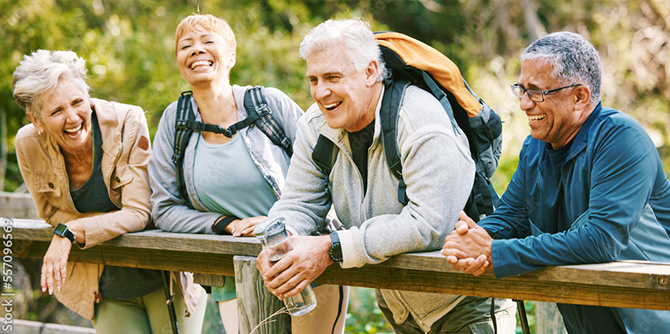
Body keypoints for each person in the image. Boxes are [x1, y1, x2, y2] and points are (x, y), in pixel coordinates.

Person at [254, 18, 516, 334]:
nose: (321, 92)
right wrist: (279, 241)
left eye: (333, 77)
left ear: (370, 72)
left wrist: (330, 247)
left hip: (465, 301)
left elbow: (429, 224)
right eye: (313, 79)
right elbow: (298, 202)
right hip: (400, 307)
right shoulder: (316, 126)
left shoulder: (419, 119)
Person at [441, 31, 670, 333]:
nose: (523, 104)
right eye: (520, 90)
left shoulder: (620, 139)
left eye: (536, 92)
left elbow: (601, 239)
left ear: (579, 97)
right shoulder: (534, 147)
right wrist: (474, 238)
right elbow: (512, 217)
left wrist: (496, 252)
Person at [148, 13, 348, 333]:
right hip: (235, 273)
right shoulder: (176, 121)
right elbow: (164, 208)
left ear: (231, 56)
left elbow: (327, 170)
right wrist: (225, 224)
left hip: (304, 262)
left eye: (208, 42)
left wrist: (277, 222)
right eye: (186, 46)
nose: (197, 50)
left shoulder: (267, 104)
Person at [12, 50, 206, 333]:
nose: (72, 117)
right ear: (36, 120)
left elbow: (139, 212)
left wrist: (72, 232)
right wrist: (81, 228)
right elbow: (50, 213)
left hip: (164, 277)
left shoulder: (128, 120)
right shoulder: (28, 144)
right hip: (103, 286)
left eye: (78, 102)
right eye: (56, 111)